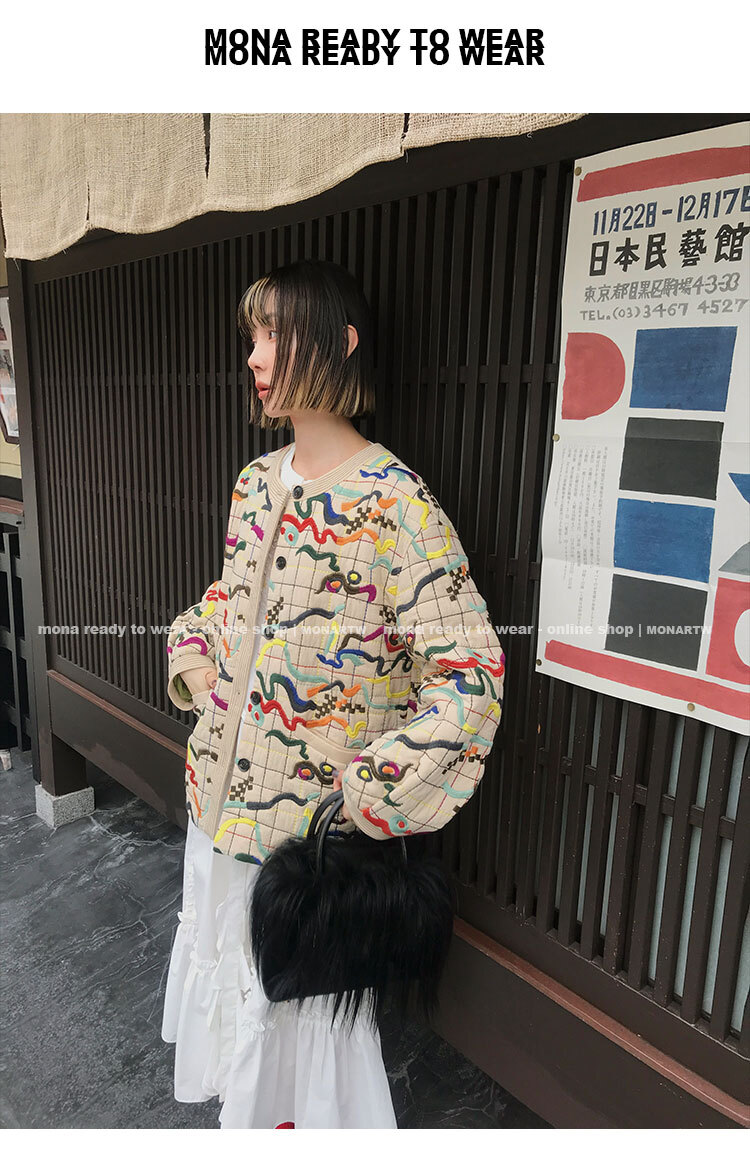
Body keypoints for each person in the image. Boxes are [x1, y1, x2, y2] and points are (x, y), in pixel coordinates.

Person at [160, 259, 506, 1128]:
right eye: (253, 335)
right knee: (235, 1004)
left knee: (295, 1038)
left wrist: (368, 793)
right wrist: (196, 656)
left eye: (274, 333)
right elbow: (232, 600)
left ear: (341, 342)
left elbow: (470, 677)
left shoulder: (396, 505)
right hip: (216, 808)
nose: (254, 355)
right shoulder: (254, 483)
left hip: (304, 848)